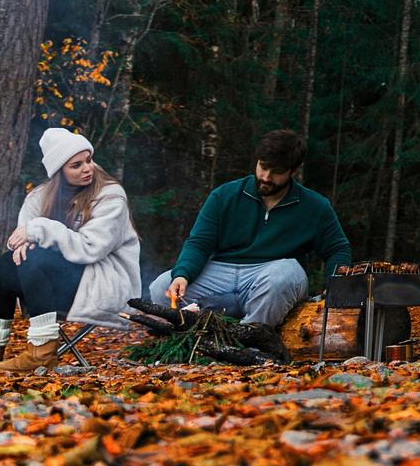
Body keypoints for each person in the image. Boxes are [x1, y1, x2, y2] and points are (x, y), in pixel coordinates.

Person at [0, 127, 143, 376]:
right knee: (4, 264)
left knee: (36, 258)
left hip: (100, 282)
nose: (87, 168)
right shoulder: (38, 197)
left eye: (88, 160)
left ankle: (42, 353)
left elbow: (91, 248)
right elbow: (20, 243)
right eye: (76, 165)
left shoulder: (110, 195)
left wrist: (42, 230)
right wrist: (28, 240)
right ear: (59, 172)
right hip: (49, 281)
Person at [148, 129, 351, 328]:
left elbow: (337, 249)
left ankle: (250, 339)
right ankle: (201, 338)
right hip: (222, 275)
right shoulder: (224, 195)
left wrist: (334, 285)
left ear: (294, 170)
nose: (266, 177)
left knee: (283, 275)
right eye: (263, 167)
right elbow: (200, 242)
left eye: (277, 172)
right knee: (161, 286)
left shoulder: (315, 205)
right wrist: (183, 274)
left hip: (273, 276)